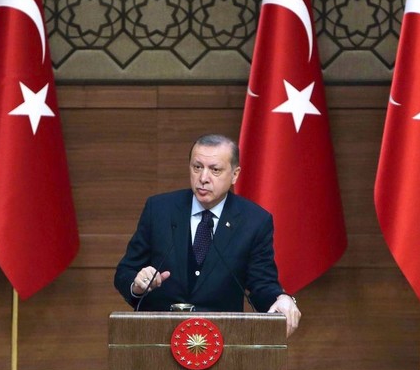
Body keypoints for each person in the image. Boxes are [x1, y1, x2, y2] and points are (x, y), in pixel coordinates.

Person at [114, 134, 301, 337]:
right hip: (157, 336)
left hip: (222, 339)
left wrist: (281, 298)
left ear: (235, 175)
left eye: (215, 170)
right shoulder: (159, 209)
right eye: (197, 167)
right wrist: (137, 285)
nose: (203, 178)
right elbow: (125, 272)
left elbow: (262, 284)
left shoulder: (254, 221)